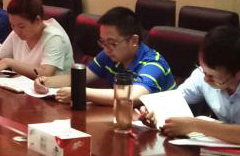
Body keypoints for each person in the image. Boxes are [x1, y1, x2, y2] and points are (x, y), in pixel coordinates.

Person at [38, 6, 174, 105]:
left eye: (112, 43)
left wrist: (80, 93)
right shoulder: (109, 54)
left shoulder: (154, 63)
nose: (106, 49)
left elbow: (132, 96)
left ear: (133, 41)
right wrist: (45, 82)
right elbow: (80, 78)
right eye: (103, 42)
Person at [0, 0, 71, 78]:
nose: (17, 31)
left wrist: (9, 62)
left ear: (37, 20)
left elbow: (46, 73)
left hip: (52, 92)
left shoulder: (54, 37)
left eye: (22, 27)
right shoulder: (17, 32)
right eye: (12, 25)